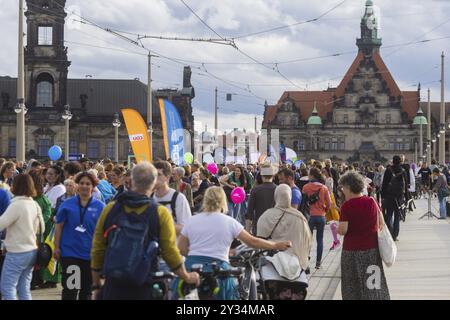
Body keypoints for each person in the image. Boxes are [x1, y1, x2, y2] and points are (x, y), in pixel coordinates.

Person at [91, 162, 200, 300]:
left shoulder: (110, 209)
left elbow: (97, 249)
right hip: (145, 284)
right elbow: (169, 252)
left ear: (130, 181)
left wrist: (96, 284)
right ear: (153, 183)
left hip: (114, 283)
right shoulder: (160, 213)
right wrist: (186, 276)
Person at [177, 186, 292, 300]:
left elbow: (181, 248)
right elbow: (252, 241)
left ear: (205, 200)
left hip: (192, 269)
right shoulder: (229, 222)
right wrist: (276, 245)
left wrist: (197, 255)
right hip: (219, 270)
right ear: (223, 201)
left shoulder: (192, 220)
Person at [337, 171, 390, 300]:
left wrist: (337, 228)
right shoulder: (372, 202)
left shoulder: (346, 206)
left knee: (352, 287)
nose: (342, 190)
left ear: (348, 187)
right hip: (371, 251)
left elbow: (343, 230)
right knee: (373, 285)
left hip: (352, 252)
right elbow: (381, 223)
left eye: (343, 188)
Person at [54, 172, 105, 300]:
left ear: (93, 187)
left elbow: (104, 232)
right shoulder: (67, 204)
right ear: (77, 185)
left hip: (90, 255)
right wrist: (56, 247)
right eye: (81, 183)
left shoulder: (100, 207)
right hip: (71, 254)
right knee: (71, 290)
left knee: (86, 292)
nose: (84, 186)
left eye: (88, 184)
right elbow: (59, 226)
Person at [0, 174, 44, 300]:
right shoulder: (34, 204)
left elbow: (1, 224)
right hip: (31, 250)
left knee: (7, 287)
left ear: (16, 186)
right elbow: (42, 228)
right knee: (24, 288)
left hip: (17, 252)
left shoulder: (16, 205)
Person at [257, 184, 312, 271]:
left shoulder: (266, 215)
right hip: (296, 264)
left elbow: (260, 239)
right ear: (289, 196)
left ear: (276, 196)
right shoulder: (300, 217)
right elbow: (307, 239)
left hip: (272, 263)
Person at [28, 169, 59, 289]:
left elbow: (47, 211)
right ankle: (40, 279)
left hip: (45, 230)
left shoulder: (41, 197)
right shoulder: (35, 196)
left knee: (46, 254)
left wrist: (40, 222)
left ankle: (50, 279)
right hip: (38, 229)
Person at [152, 161, 192, 236]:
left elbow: (187, 228)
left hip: (174, 245)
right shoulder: (150, 198)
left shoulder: (179, 198)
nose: (155, 178)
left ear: (167, 177)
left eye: (159, 175)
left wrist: (161, 227)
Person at [302, 168, 331, 269]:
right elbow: (329, 203)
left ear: (312, 176)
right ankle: (318, 263)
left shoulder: (305, 187)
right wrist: (325, 211)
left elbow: (303, 203)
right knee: (320, 239)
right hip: (321, 216)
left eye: (309, 174)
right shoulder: (324, 188)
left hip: (310, 216)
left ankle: (306, 260)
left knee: (308, 240)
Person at [381, 156, 408, 241]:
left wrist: (383, 196)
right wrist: (406, 197)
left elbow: (384, 184)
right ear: (400, 162)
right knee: (397, 216)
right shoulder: (403, 171)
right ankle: (395, 235)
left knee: (388, 214)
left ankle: (389, 232)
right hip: (399, 197)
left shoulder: (388, 170)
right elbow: (406, 185)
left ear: (393, 161)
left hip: (389, 196)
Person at [245, 162, 277, 235]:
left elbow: (249, 212)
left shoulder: (255, 190)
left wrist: (247, 232)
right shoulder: (278, 189)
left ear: (261, 174)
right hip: (275, 226)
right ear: (273, 174)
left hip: (259, 226)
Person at [322, 167, 341, 250]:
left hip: (329, 198)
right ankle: (336, 240)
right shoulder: (325, 179)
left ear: (327, 172)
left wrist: (327, 200)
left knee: (334, 219)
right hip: (327, 198)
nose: (323, 172)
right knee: (331, 220)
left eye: (324, 171)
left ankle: (336, 240)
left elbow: (330, 190)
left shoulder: (329, 179)